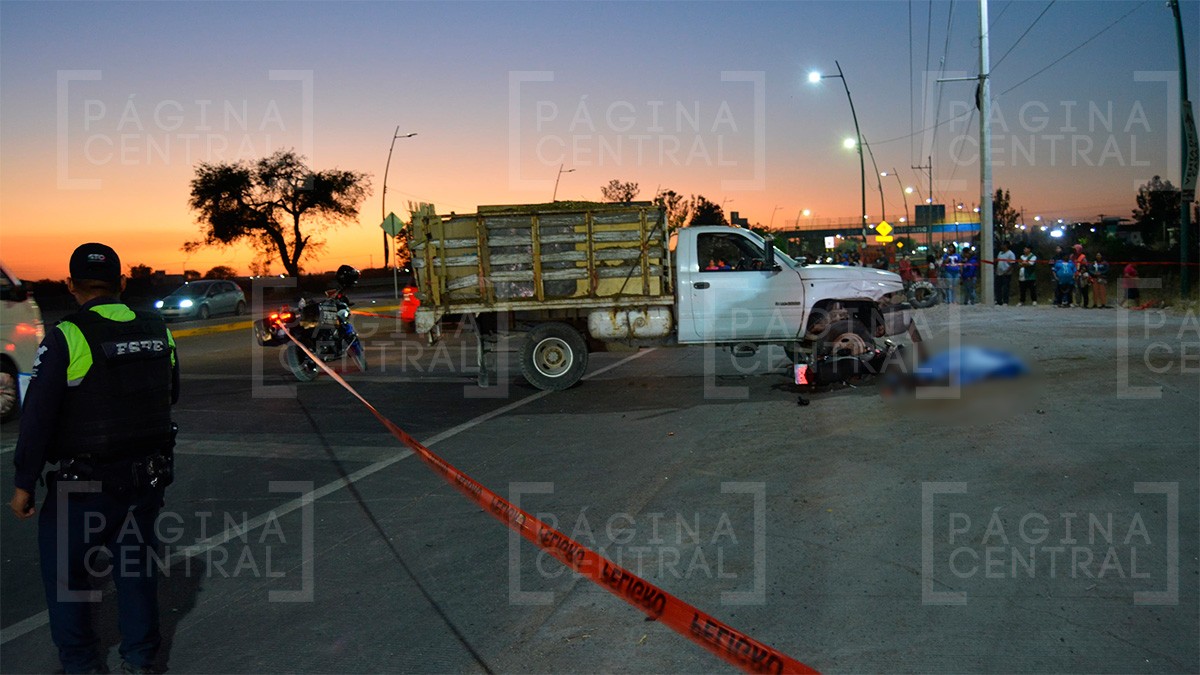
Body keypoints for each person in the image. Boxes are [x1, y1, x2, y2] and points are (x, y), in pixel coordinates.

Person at [10, 243, 179, 674]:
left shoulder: (69, 334)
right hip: (145, 479)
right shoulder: (160, 328)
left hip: (83, 486)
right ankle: (140, 661)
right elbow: (170, 392)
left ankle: (81, 666)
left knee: (67, 578)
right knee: (136, 571)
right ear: (122, 283)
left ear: (71, 286)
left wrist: (24, 482)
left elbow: (38, 418)